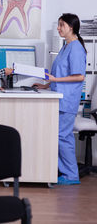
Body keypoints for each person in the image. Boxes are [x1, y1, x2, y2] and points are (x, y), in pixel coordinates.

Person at [33, 13, 86, 185]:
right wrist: (46, 85)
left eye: (61, 25)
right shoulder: (66, 46)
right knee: (60, 135)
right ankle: (64, 171)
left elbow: (79, 77)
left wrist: (54, 81)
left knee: (63, 136)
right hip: (59, 97)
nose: (58, 28)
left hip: (67, 99)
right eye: (58, 24)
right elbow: (60, 74)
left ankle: (71, 175)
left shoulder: (76, 48)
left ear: (71, 27)